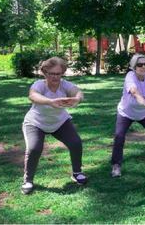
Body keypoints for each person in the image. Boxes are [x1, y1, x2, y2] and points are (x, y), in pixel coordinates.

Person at [21, 57, 87, 195]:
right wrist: (50, 102)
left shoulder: (65, 85)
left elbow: (78, 92)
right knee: (34, 148)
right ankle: (28, 180)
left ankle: (77, 173)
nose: (55, 76)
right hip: (36, 122)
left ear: (62, 72)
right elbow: (33, 96)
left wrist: (77, 99)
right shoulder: (39, 84)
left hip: (59, 122)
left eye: (58, 73)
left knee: (75, 143)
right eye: (51, 73)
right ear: (45, 73)